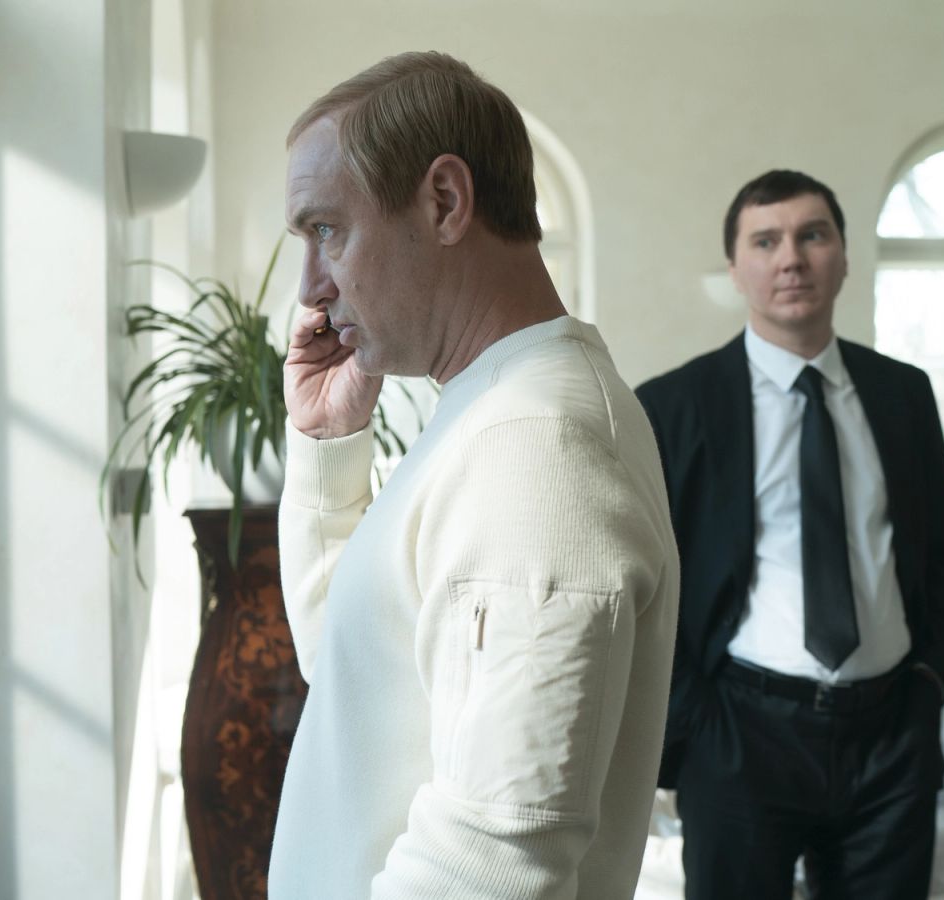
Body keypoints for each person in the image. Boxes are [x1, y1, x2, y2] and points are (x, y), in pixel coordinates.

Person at [270, 51, 679, 899]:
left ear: (445, 202)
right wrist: (329, 443)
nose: (310, 288)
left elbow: (495, 858)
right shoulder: (490, 409)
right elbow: (352, 673)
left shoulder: (535, 443)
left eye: (327, 230)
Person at [635, 169, 944, 899]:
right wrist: (694, 722)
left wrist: (931, 682)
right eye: (766, 241)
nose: (791, 258)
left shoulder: (903, 394)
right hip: (740, 736)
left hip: (891, 737)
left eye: (812, 236)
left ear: (844, 257)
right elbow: (644, 579)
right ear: (735, 269)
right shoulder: (672, 406)